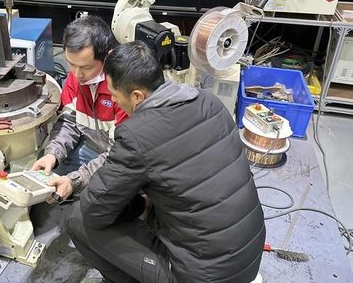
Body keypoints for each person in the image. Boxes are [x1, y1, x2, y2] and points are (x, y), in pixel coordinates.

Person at [66, 41, 266, 283]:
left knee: (78, 218)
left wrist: (138, 205)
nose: (115, 102)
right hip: (249, 256)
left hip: (203, 277)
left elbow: (95, 211)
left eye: (115, 96)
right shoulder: (209, 102)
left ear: (137, 96)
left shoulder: (137, 135)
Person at [31, 15, 127, 199]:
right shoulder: (75, 79)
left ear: (107, 57)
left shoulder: (123, 89)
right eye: (71, 64)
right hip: (90, 148)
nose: (77, 74)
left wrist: (76, 180)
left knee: (100, 202)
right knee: (46, 176)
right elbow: (68, 122)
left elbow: (120, 153)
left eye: (86, 67)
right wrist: (53, 154)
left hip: (120, 157)